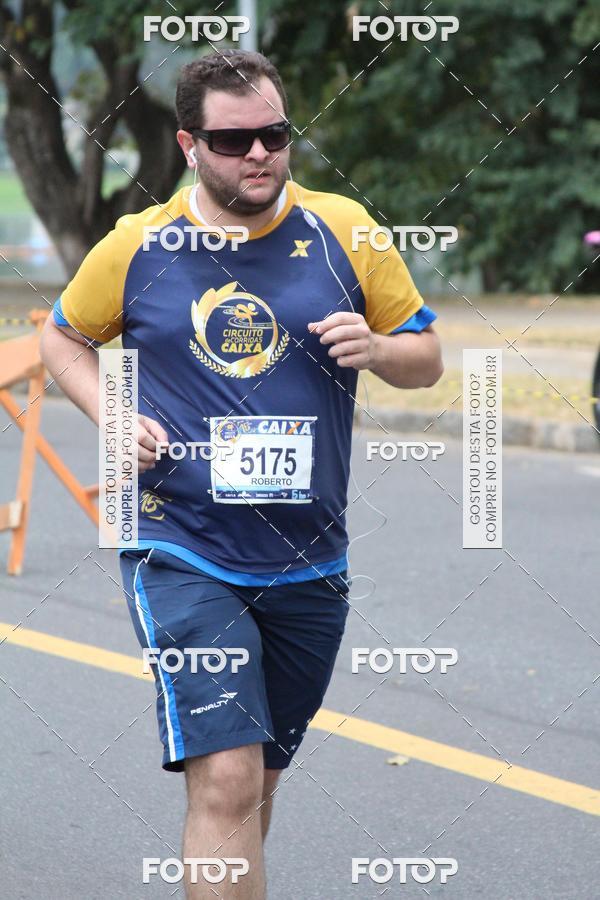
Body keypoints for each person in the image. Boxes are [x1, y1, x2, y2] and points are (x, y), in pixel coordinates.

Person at [40, 48, 443, 899]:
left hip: (310, 559)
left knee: (257, 780)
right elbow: (62, 336)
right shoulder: (140, 245)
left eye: (275, 133)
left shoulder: (348, 230)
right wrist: (111, 414)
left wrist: (379, 349)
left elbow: (428, 356)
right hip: (181, 547)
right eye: (234, 141)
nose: (258, 153)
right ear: (189, 145)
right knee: (226, 778)